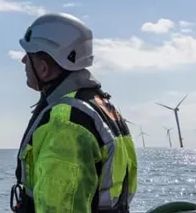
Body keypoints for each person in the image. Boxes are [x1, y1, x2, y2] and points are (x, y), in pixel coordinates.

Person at [10, 12, 138, 213]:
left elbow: (60, 206)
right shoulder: (101, 108)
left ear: (43, 68)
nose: (23, 61)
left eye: (29, 55)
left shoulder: (65, 123)